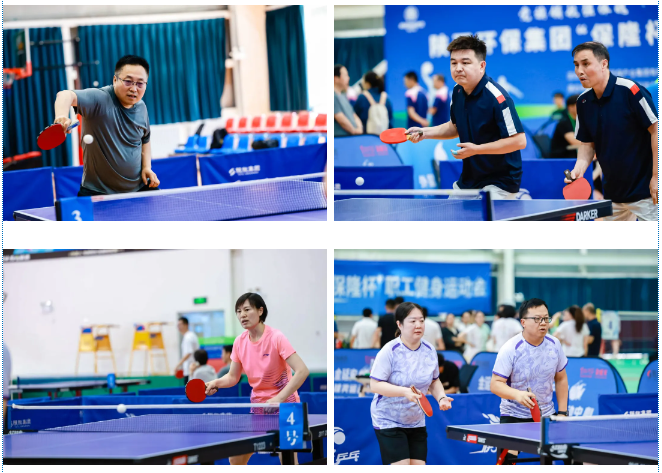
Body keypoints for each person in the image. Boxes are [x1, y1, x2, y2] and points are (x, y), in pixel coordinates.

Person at [407, 35, 526, 200]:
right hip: (470, 180)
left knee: (486, 213)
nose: (458, 68)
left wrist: (476, 149)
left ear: (481, 66)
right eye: (453, 63)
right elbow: (454, 127)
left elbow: (519, 141)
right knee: (450, 214)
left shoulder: (497, 97)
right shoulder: (457, 92)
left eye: (465, 62)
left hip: (501, 182)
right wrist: (424, 132)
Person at [205, 293, 309, 465]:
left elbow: (302, 371)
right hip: (259, 408)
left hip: (287, 407)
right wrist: (216, 383)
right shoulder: (239, 342)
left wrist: (279, 398)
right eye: (239, 311)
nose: (242, 315)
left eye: (247, 309)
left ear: (260, 311)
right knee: (236, 459)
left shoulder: (276, 337)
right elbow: (232, 376)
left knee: (288, 461)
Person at [567, 41, 658, 221]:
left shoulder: (630, 91)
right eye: (576, 65)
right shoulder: (583, 102)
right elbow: (587, 144)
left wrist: (656, 177)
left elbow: (656, 131)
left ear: (604, 64)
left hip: (646, 192)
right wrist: (579, 169)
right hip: (613, 194)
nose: (579, 71)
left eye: (585, 63)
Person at [54, 55, 160, 195]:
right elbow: (64, 95)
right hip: (98, 192)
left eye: (140, 83)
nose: (134, 88)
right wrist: (61, 116)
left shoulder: (141, 107)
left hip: (139, 188)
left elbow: (145, 139)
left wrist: (147, 167)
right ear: (115, 80)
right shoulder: (99, 98)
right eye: (128, 81)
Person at [369, 302, 453, 465]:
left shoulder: (430, 350)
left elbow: (434, 381)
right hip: (388, 419)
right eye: (412, 321)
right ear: (399, 324)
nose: (418, 325)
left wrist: (441, 397)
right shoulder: (389, 350)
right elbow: (375, 385)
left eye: (421, 321)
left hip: (416, 420)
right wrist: (404, 391)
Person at [490, 298, 569, 465]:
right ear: (523, 322)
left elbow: (561, 378)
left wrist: (563, 412)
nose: (543, 323)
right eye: (537, 319)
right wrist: (517, 395)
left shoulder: (554, 344)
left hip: (546, 415)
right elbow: (495, 384)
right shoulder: (510, 348)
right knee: (508, 461)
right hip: (514, 415)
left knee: (570, 457)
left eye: (546, 318)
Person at [334, 64, 363, 137]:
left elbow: (354, 115)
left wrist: (359, 128)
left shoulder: (344, 96)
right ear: (336, 78)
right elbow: (340, 118)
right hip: (342, 139)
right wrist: (354, 131)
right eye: (345, 75)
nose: (348, 78)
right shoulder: (333, 96)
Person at [175, 316, 199, 384]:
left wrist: (178, 365)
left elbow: (188, 353)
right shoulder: (192, 335)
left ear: (186, 325)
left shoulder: (188, 337)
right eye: (178, 325)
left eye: (180, 325)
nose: (179, 327)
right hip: (192, 369)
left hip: (190, 370)